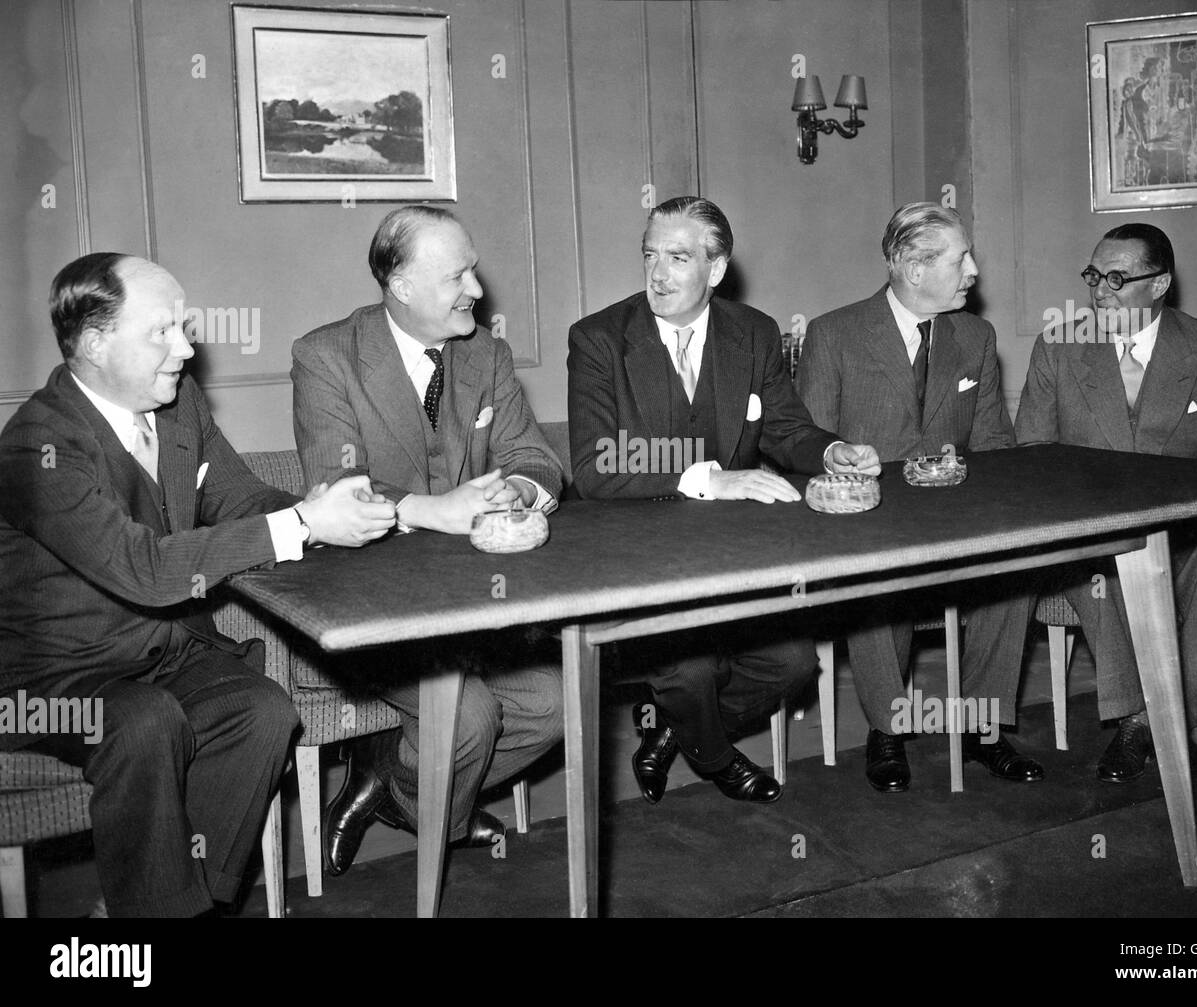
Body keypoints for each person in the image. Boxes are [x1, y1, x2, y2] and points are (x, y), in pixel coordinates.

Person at [0, 252, 395, 916]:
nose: (186, 348)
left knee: (265, 710)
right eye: (163, 330)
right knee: (144, 723)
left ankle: (164, 909)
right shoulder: (37, 447)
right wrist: (299, 521)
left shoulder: (177, 405)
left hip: (166, 652)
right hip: (54, 679)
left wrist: (329, 515)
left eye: (184, 326)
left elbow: (243, 502)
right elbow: (146, 569)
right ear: (95, 343)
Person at [567, 195, 880, 805]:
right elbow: (597, 464)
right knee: (692, 669)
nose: (658, 274)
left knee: (792, 666)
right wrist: (711, 478)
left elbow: (786, 429)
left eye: (678, 258)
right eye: (650, 255)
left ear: (715, 269)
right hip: (638, 550)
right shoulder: (600, 338)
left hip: (732, 549)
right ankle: (712, 754)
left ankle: (669, 736)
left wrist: (831, 451)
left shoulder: (755, 332)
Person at [291, 206, 565, 874]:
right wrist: (430, 510)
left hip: (474, 603)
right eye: (457, 276)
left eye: (473, 268)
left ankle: (396, 785)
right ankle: (435, 798)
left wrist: (520, 492)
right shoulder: (326, 356)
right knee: (467, 716)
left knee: (558, 703)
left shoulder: (487, 353)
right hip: (368, 603)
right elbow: (335, 485)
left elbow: (536, 458)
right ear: (401, 286)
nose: (476, 288)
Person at [1015, 221, 1197, 803]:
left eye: (1116, 279)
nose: (1099, 291)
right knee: (1100, 567)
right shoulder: (1058, 345)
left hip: (1189, 529)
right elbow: (1031, 454)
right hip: (1095, 531)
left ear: (1159, 285)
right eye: (1093, 276)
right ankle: (1135, 720)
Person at [797, 202, 1043, 793]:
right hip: (871, 523)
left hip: (955, 520)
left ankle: (981, 729)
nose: (975, 271)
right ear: (911, 265)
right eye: (961, 258)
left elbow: (991, 445)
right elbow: (805, 444)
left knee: (1015, 569)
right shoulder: (834, 334)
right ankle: (887, 729)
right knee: (876, 582)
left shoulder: (976, 337)